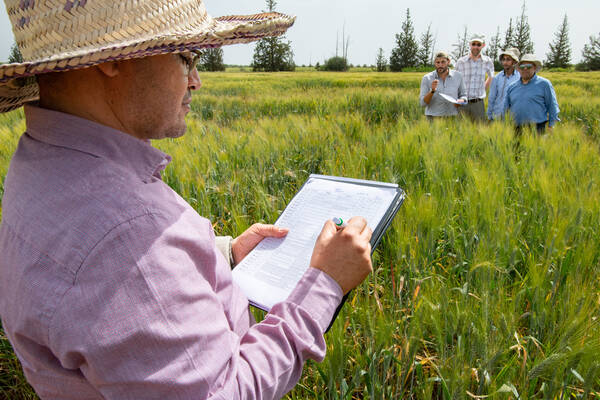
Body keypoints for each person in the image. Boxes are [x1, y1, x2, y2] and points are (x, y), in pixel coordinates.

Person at [0, 1, 374, 399]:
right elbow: (226, 391)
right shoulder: (125, 232)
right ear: (113, 59)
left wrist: (221, 257)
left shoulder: (42, 161)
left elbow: (105, 289)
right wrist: (323, 285)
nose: (195, 80)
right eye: (186, 56)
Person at [504, 54, 560, 133]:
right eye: (522, 67)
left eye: (529, 66)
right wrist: (503, 125)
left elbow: (552, 106)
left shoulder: (544, 84)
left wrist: (552, 125)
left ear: (535, 67)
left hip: (538, 128)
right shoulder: (512, 86)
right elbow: (505, 108)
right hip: (515, 128)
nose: (525, 69)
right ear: (519, 69)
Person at [455, 35, 496, 121]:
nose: (476, 47)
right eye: (473, 44)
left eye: (478, 44)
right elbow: (455, 80)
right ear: (470, 45)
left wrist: (483, 88)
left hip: (478, 102)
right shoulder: (461, 61)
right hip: (462, 101)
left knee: (479, 129)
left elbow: (491, 76)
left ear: (483, 46)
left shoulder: (487, 61)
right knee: (461, 129)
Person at [419, 51, 467, 120]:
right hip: (432, 118)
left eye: (443, 62)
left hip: (452, 117)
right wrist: (432, 91)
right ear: (434, 63)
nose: (440, 65)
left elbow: (464, 96)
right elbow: (422, 103)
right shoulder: (427, 78)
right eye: (437, 62)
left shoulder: (458, 76)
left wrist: (460, 102)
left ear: (448, 61)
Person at [487, 48, 521, 121]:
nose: (505, 62)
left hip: (512, 118)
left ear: (514, 62)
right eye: (503, 59)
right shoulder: (496, 78)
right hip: (496, 116)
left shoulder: (519, 78)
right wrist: (489, 116)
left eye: (508, 60)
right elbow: (491, 98)